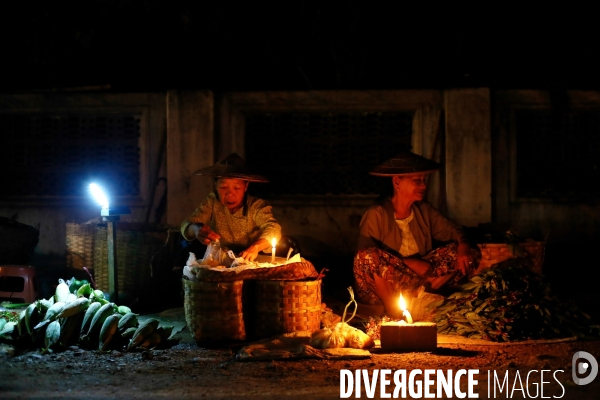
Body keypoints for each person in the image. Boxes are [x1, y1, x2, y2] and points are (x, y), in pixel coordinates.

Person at [353, 151, 475, 317]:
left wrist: (463, 245)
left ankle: (420, 298)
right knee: (368, 257)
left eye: (424, 180)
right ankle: (393, 312)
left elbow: (454, 230)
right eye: (417, 181)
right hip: (383, 286)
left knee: (464, 254)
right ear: (397, 182)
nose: (423, 186)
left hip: (417, 281)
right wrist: (408, 262)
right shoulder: (377, 214)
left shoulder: (424, 210)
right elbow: (365, 257)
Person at [181, 153, 282, 262]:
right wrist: (197, 229)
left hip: (253, 261)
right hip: (222, 262)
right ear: (215, 184)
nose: (230, 194)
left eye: (237, 188)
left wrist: (256, 247)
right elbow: (187, 225)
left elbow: (273, 228)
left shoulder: (256, 205)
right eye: (224, 187)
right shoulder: (212, 202)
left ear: (246, 186)